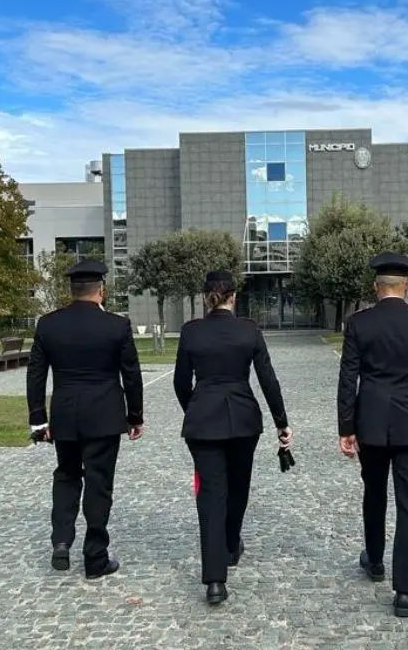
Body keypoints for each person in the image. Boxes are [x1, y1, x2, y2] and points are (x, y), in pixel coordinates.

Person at [337, 252, 408, 618]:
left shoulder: (358, 324)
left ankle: (374, 559)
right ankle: (405, 591)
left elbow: (347, 379)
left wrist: (346, 427)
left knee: (374, 492)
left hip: (371, 423)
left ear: (376, 287)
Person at [173, 270, 293, 605]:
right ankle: (230, 544)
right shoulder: (249, 330)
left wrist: (195, 408)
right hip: (243, 420)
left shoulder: (191, 332)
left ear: (204, 298)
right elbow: (268, 379)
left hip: (203, 422)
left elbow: (181, 382)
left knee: (211, 495)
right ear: (233, 297)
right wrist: (282, 423)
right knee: (238, 486)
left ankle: (214, 580)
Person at [27, 259, 144, 579]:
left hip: (64, 415)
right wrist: (135, 416)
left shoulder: (48, 325)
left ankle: (62, 540)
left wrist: (38, 419)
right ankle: (95, 557)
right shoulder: (117, 326)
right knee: (98, 483)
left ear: (71, 290)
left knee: (66, 474)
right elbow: (131, 375)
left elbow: (36, 374)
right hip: (104, 416)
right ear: (101, 290)